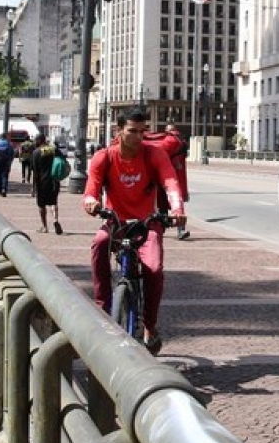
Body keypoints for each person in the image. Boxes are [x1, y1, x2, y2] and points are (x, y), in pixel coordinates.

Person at [82, 108, 187, 355]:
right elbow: (91, 188)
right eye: (132, 131)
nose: (139, 137)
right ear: (118, 131)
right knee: (99, 243)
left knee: (153, 267)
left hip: (147, 223)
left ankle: (150, 325)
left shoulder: (154, 154)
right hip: (116, 223)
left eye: (143, 131)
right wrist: (90, 201)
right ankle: (102, 307)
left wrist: (176, 208)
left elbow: (170, 181)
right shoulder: (104, 157)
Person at [32, 134, 64, 234]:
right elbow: (62, 161)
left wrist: (34, 187)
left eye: (35, 140)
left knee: (41, 205)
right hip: (54, 180)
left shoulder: (36, 152)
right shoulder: (54, 149)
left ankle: (44, 226)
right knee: (53, 202)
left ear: (39, 140)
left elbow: (35, 172)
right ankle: (55, 220)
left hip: (42, 182)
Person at [163, 124, 191, 240]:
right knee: (178, 205)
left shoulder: (166, 142)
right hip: (177, 180)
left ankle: (159, 228)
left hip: (165, 178)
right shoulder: (182, 143)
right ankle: (180, 230)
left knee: (161, 206)